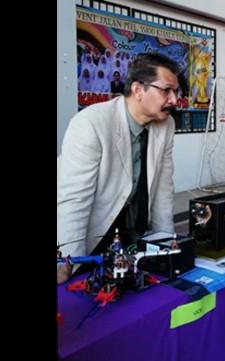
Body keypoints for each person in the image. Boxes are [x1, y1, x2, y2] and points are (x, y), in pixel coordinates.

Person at [57, 52, 180, 284]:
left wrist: (166, 251)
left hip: (130, 234)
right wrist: (68, 263)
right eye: (167, 90)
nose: (174, 100)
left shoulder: (166, 125)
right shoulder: (91, 123)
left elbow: (164, 189)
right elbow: (74, 201)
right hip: (90, 234)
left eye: (176, 92)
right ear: (138, 90)